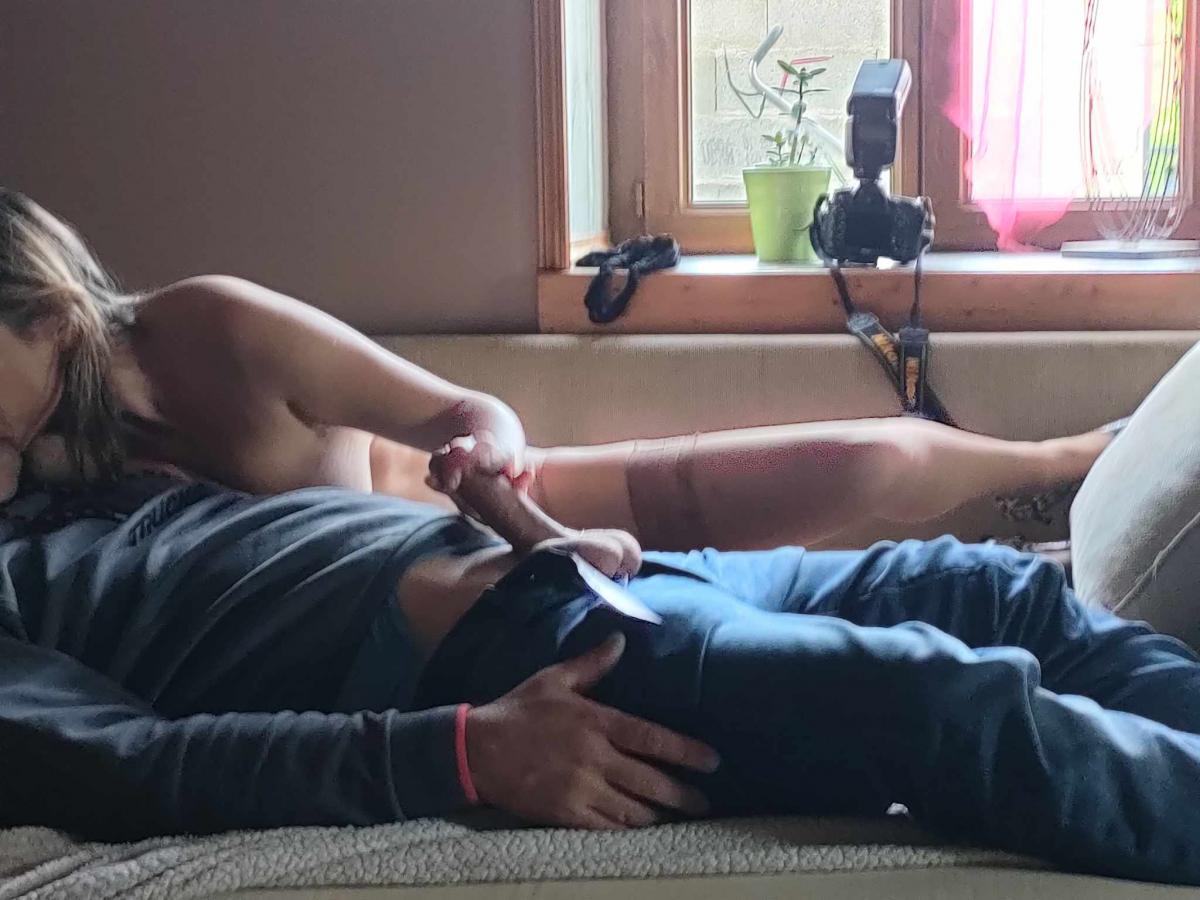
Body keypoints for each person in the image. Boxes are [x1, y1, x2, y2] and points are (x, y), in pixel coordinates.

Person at [0, 189, 1114, 554]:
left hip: (516, 512)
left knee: (854, 464)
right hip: (431, 619)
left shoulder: (209, 329)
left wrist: (490, 461)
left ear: (47, 312)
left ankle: (1062, 465)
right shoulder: (51, 479)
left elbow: (464, 405)